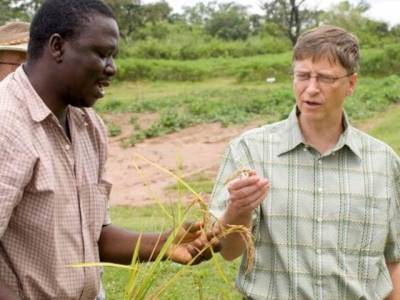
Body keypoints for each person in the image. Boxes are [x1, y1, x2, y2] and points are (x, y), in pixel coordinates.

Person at [0, 1, 217, 299]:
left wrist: (167, 244)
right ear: (57, 47)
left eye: (113, 56)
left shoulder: (88, 125)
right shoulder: (7, 124)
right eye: (102, 54)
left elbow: (95, 237)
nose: (112, 69)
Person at [209, 25, 400, 299]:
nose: (311, 89)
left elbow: (395, 258)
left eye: (325, 78)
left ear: (351, 83)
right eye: (302, 76)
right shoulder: (250, 150)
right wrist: (238, 209)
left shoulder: (383, 162)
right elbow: (228, 251)